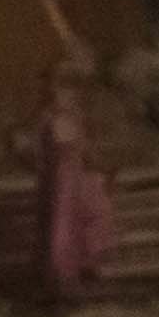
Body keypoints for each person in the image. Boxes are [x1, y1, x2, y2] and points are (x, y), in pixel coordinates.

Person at [34, 75, 120, 293]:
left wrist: (98, 167)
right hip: (59, 177)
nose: (65, 97)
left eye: (69, 92)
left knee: (94, 208)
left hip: (77, 175)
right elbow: (44, 151)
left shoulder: (77, 117)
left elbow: (85, 149)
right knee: (62, 223)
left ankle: (86, 266)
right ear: (53, 94)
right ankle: (62, 275)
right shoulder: (48, 118)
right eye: (60, 92)